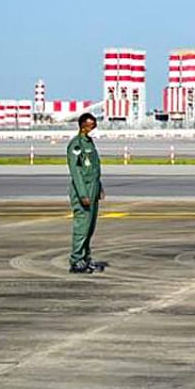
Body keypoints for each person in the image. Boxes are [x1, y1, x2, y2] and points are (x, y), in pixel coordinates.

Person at [67, 112, 106, 273]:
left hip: (93, 190)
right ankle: (76, 260)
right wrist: (83, 195)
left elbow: (94, 169)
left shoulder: (90, 143)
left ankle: (85, 258)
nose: (94, 128)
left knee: (89, 229)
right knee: (82, 227)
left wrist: (99, 188)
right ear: (83, 126)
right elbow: (76, 172)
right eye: (92, 125)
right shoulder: (77, 145)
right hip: (82, 192)